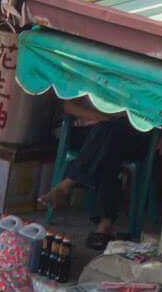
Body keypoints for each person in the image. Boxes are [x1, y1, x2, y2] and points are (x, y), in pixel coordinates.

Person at [45, 98, 149, 249]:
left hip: (131, 133)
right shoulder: (94, 77)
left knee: (109, 139)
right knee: (108, 143)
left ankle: (69, 181)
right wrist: (96, 116)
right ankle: (105, 224)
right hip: (92, 131)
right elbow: (69, 105)